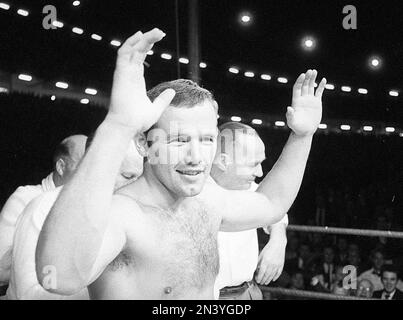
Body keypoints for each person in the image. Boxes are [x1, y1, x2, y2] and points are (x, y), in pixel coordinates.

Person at [36, 28, 327, 299]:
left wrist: (302, 136)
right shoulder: (123, 214)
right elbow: (59, 277)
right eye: (178, 140)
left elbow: (271, 204)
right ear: (143, 144)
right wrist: (117, 126)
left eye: (207, 140)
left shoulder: (207, 199)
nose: (195, 156)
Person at [6, 135, 143, 300]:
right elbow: (28, 295)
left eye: (139, 178)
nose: (136, 186)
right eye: (128, 177)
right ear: (98, 166)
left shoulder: (130, 212)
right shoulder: (45, 208)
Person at [211, 122, 288, 300]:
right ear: (223, 161)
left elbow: (277, 212)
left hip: (249, 292)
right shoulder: (191, 192)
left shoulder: (250, 189)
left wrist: (278, 242)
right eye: (253, 164)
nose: (260, 172)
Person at [0, 134, 87, 287]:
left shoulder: (89, 206)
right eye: (85, 165)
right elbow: (1, 270)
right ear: (61, 167)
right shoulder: (25, 198)